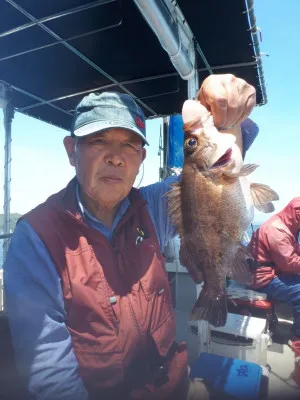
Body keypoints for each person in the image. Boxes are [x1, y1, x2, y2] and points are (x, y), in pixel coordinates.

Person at [4, 74, 258, 400]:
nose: (115, 156)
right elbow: (50, 372)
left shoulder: (151, 206)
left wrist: (229, 112)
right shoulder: (36, 238)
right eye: (98, 140)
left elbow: (217, 177)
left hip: (173, 383)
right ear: (72, 151)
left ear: (140, 158)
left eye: (129, 144)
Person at [247, 198, 300, 339]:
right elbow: (288, 263)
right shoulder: (277, 230)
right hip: (261, 278)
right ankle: (297, 337)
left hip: (274, 272)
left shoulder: (289, 226)